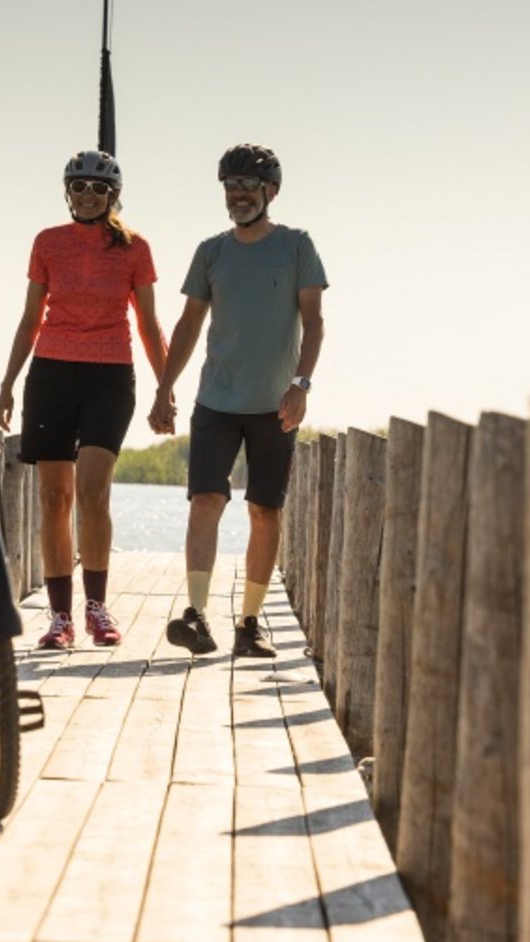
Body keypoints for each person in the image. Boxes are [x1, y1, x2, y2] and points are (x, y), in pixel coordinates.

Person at [149, 143, 326, 657]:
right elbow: (187, 325)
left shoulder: (297, 246)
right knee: (205, 500)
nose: (239, 194)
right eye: (231, 185)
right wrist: (164, 387)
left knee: (264, 511)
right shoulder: (211, 252)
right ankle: (197, 616)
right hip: (216, 402)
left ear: (271, 191)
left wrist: (302, 385)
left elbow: (314, 323)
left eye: (249, 185)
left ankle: (249, 625)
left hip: (276, 405)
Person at [0, 149, 170, 649]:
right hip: (51, 373)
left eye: (98, 188)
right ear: (67, 192)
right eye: (79, 187)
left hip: (110, 376)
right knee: (55, 498)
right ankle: (59, 618)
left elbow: (149, 323)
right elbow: (31, 318)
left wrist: (164, 388)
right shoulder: (48, 243)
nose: (88, 195)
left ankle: (96, 608)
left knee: (93, 492)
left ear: (114, 196)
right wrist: (8, 382)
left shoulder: (135, 248)